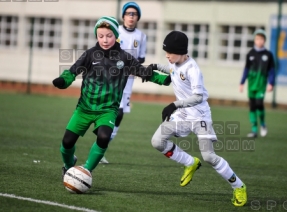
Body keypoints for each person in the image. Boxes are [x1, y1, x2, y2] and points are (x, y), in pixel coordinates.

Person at [52, 16, 167, 179]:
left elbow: (144, 72)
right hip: (84, 108)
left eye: (109, 35)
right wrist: (63, 81)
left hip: (108, 110)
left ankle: (86, 171)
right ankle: (69, 166)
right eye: (100, 36)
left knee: (104, 136)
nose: (104, 40)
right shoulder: (90, 54)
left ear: (115, 35)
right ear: (96, 36)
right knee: (67, 143)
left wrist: (165, 79)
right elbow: (72, 72)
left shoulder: (125, 58)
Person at [148, 31, 247, 207]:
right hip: (182, 116)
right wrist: (155, 65)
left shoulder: (193, 69)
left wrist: (174, 105)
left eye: (169, 52)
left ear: (180, 51)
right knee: (157, 141)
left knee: (209, 156)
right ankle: (190, 162)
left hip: (200, 117)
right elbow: (171, 70)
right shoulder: (175, 61)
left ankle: (238, 186)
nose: (167, 56)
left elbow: (199, 97)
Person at [100, 2, 147, 164]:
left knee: (118, 115)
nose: (131, 16)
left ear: (138, 17)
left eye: (134, 14)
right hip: (111, 78)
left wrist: (132, 66)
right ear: (123, 16)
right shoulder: (116, 31)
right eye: (128, 13)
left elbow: (141, 58)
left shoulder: (141, 36)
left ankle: (101, 149)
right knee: (110, 112)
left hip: (127, 81)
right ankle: (98, 148)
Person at [239, 29, 275, 138]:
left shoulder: (268, 55)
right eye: (257, 39)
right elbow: (246, 69)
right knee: (252, 106)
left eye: (261, 39)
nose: (259, 41)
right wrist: (242, 82)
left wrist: (271, 83)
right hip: (252, 84)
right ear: (254, 40)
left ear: (264, 40)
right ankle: (254, 129)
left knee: (259, 104)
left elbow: (272, 70)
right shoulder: (250, 53)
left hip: (261, 83)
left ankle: (263, 124)